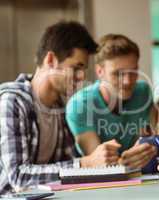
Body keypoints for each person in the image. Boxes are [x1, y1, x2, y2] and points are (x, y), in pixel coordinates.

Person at [0, 21, 98, 193]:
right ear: (50, 59)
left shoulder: (58, 107)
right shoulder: (12, 101)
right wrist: (86, 163)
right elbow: (18, 177)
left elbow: (68, 168)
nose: (81, 77)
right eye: (76, 68)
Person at [66, 34, 156, 170]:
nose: (127, 81)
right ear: (100, 71)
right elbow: (99, 164)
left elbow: (146, 141)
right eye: (117, 74)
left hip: (138, 176)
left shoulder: (143, 92)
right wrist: (128, 161)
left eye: (132, 72)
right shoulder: (80, 105)